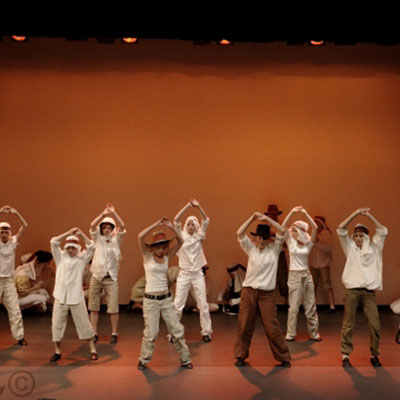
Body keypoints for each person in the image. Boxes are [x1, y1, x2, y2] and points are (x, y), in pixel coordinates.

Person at [234, 211, 291, 367]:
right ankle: (240, 355)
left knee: (272, 327)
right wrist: (251, 218)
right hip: (249, 291)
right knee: (244, 324)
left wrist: (267, 219)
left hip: (266, 294)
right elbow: (239, 233)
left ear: (269, 239)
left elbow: (283, 232)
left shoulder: (274, 249)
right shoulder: (251, 249)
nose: (261, 241)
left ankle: (284, 357)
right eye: (259, 238)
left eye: (264, 238)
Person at [137, 217, 192, 370]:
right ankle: (144, 359)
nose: (161, 251)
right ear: (152, 249)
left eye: (163, 247)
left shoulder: (167, 257)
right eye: (158, 248)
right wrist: (156, 224)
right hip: (150, 301)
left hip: (166, 299)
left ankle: (185, 359)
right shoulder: (147, 257)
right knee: (151, 332)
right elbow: (140, 236)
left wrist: (170, 226)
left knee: (176, 329)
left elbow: (181, 241)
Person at [337, 208, 388, 368]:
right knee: (348, 323)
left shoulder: (375, 248)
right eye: (356, 236)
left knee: (375, 324)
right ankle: (345, 355)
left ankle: (374, 354)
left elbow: (382, 230)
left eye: (361, 236)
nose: (358, 238)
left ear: (366, 237)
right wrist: (355, 213)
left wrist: (369, 215)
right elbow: (341, 228)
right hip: (352, 291)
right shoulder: (350, 248)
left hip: (368, 293)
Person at [50, 228, 98, 361]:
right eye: (68, 248)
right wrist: (68, 233)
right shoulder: (60, 257)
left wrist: (81, 234)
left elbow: (92, 247)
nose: (71, 250)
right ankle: (57, 351)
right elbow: (54, 242)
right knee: (56, 324)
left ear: (77, 248)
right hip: (60, 296)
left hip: (76, 297)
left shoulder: (82, 259)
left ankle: (93, 349)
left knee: (84, 323)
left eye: (73, 248)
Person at [173, 198, 213, 342]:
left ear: (196, 226)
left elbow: (206, 220)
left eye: (193, 224)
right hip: (184, 273)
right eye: (188, 224)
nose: (190, 226)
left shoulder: (199, 236)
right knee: (178, 304)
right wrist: (187, 206)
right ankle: (174, 333)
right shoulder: (182, 236)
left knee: (203, 304)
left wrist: (198, 206)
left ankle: (206, 332)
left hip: (197, 274)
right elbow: (176, 220)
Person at [88, 203, 126, 344]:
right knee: (94, 306)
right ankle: (93, 332)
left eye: (109, 227)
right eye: (104, 227)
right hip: (97, 276)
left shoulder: (116, 240)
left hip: (111, 277)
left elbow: (122, 226)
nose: (106, 230)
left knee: (113, 307)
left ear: (112, 229)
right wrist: (103, 214)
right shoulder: (97, 239)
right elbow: (92, 225)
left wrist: (113, 213)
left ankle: (114, 333)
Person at [282, 206, 321, 342]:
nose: (292, 232)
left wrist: (305, 213)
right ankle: (290, 333)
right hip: (294, 275)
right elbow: (282, 227)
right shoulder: (290, 242)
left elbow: (315, 228)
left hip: (306, 275)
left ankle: (314, 333)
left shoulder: (308, 244)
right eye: (292, 230)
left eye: (295, 230)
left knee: (310, 306)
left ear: (301, 231)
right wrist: (291, 212)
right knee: (293, 306)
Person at [0, 205, 28, 346]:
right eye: (1, 232)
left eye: (6, 232)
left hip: (9, 281)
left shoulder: (13, 242)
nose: (4, 234)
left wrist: (15, 212)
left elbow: (24, 225)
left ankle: (19, 336)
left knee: (15, 310)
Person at [309, 216, 336, 312]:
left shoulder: (327, 234)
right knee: (313, 285)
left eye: (318, 223)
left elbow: (328, 249)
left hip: (323, 263)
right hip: (313, 263)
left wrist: (318, 242)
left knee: (327, 284)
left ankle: (332, 305)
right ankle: (312, 305)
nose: (316, 225)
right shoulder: (311, 233)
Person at [264, 204, 289, 304]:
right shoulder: (264, 227)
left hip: (279, 254)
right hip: (268, 254)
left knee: (283, 278)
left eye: (275, 214)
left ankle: (286, 301)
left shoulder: (282, 226)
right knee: (267, 277)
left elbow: (287, 243)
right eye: (271, 214)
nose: (273, 216)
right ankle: (268, 302)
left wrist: (276, 238)